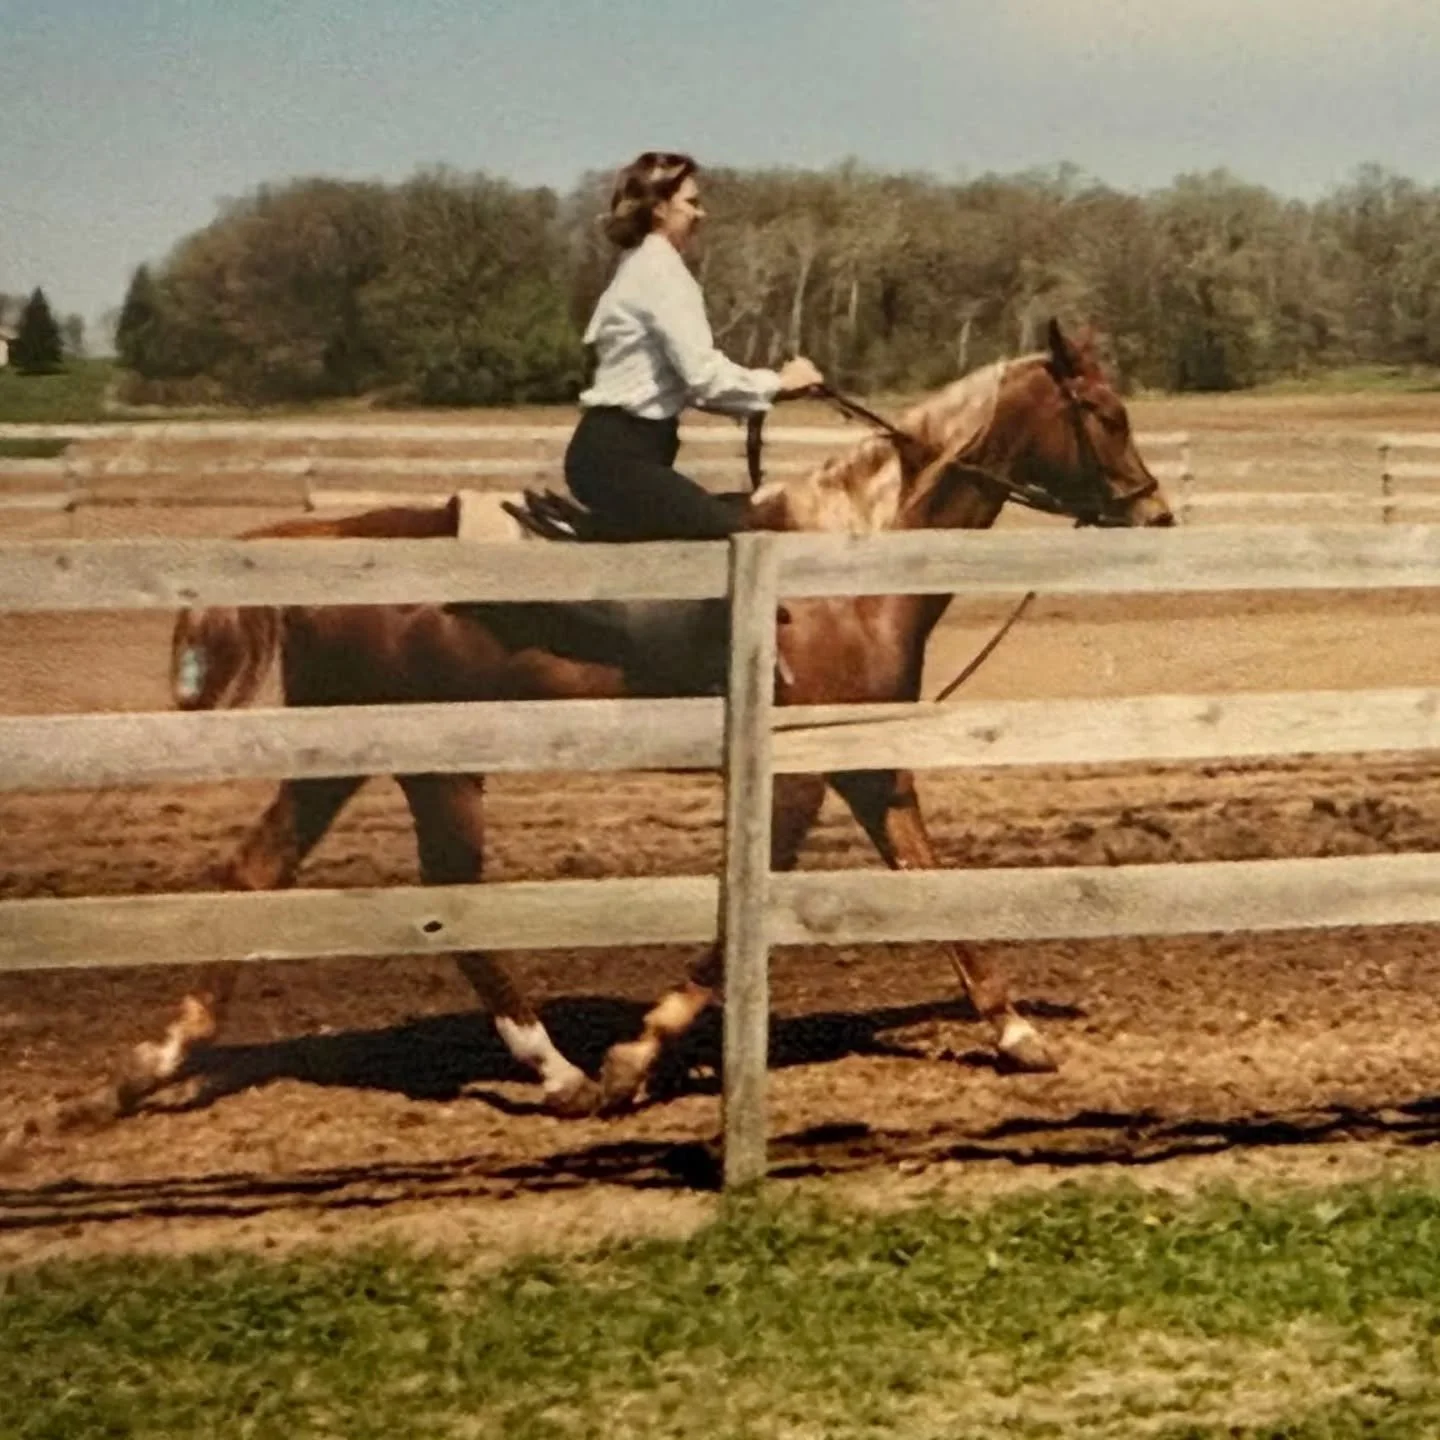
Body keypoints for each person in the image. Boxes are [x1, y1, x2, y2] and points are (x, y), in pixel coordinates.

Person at [564, 151, 824, 540]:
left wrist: (774, 392)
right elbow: (704, 376)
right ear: (659, 209)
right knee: (735, 538)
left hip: (619, 454)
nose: (701, 214)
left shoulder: (644, 265)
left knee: (734, 513)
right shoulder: (661, 272)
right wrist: (779, 383)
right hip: (619, 458)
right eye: (691, 203)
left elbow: (690, 386)